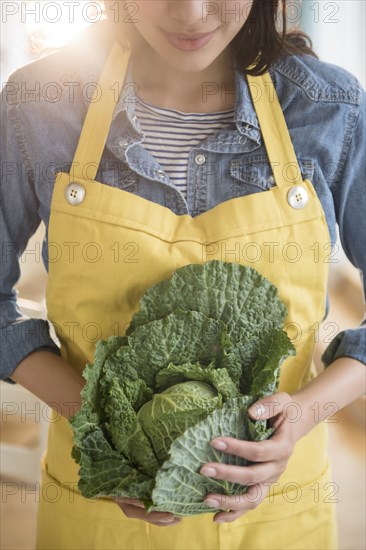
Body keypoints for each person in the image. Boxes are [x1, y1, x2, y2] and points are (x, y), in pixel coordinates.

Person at [1, 1, 365, 548]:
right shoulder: (38, 105)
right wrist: (105, 430)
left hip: (281, 518)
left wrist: (307, 412)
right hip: (97, 514)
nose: (191, 13)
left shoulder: (330, 107)